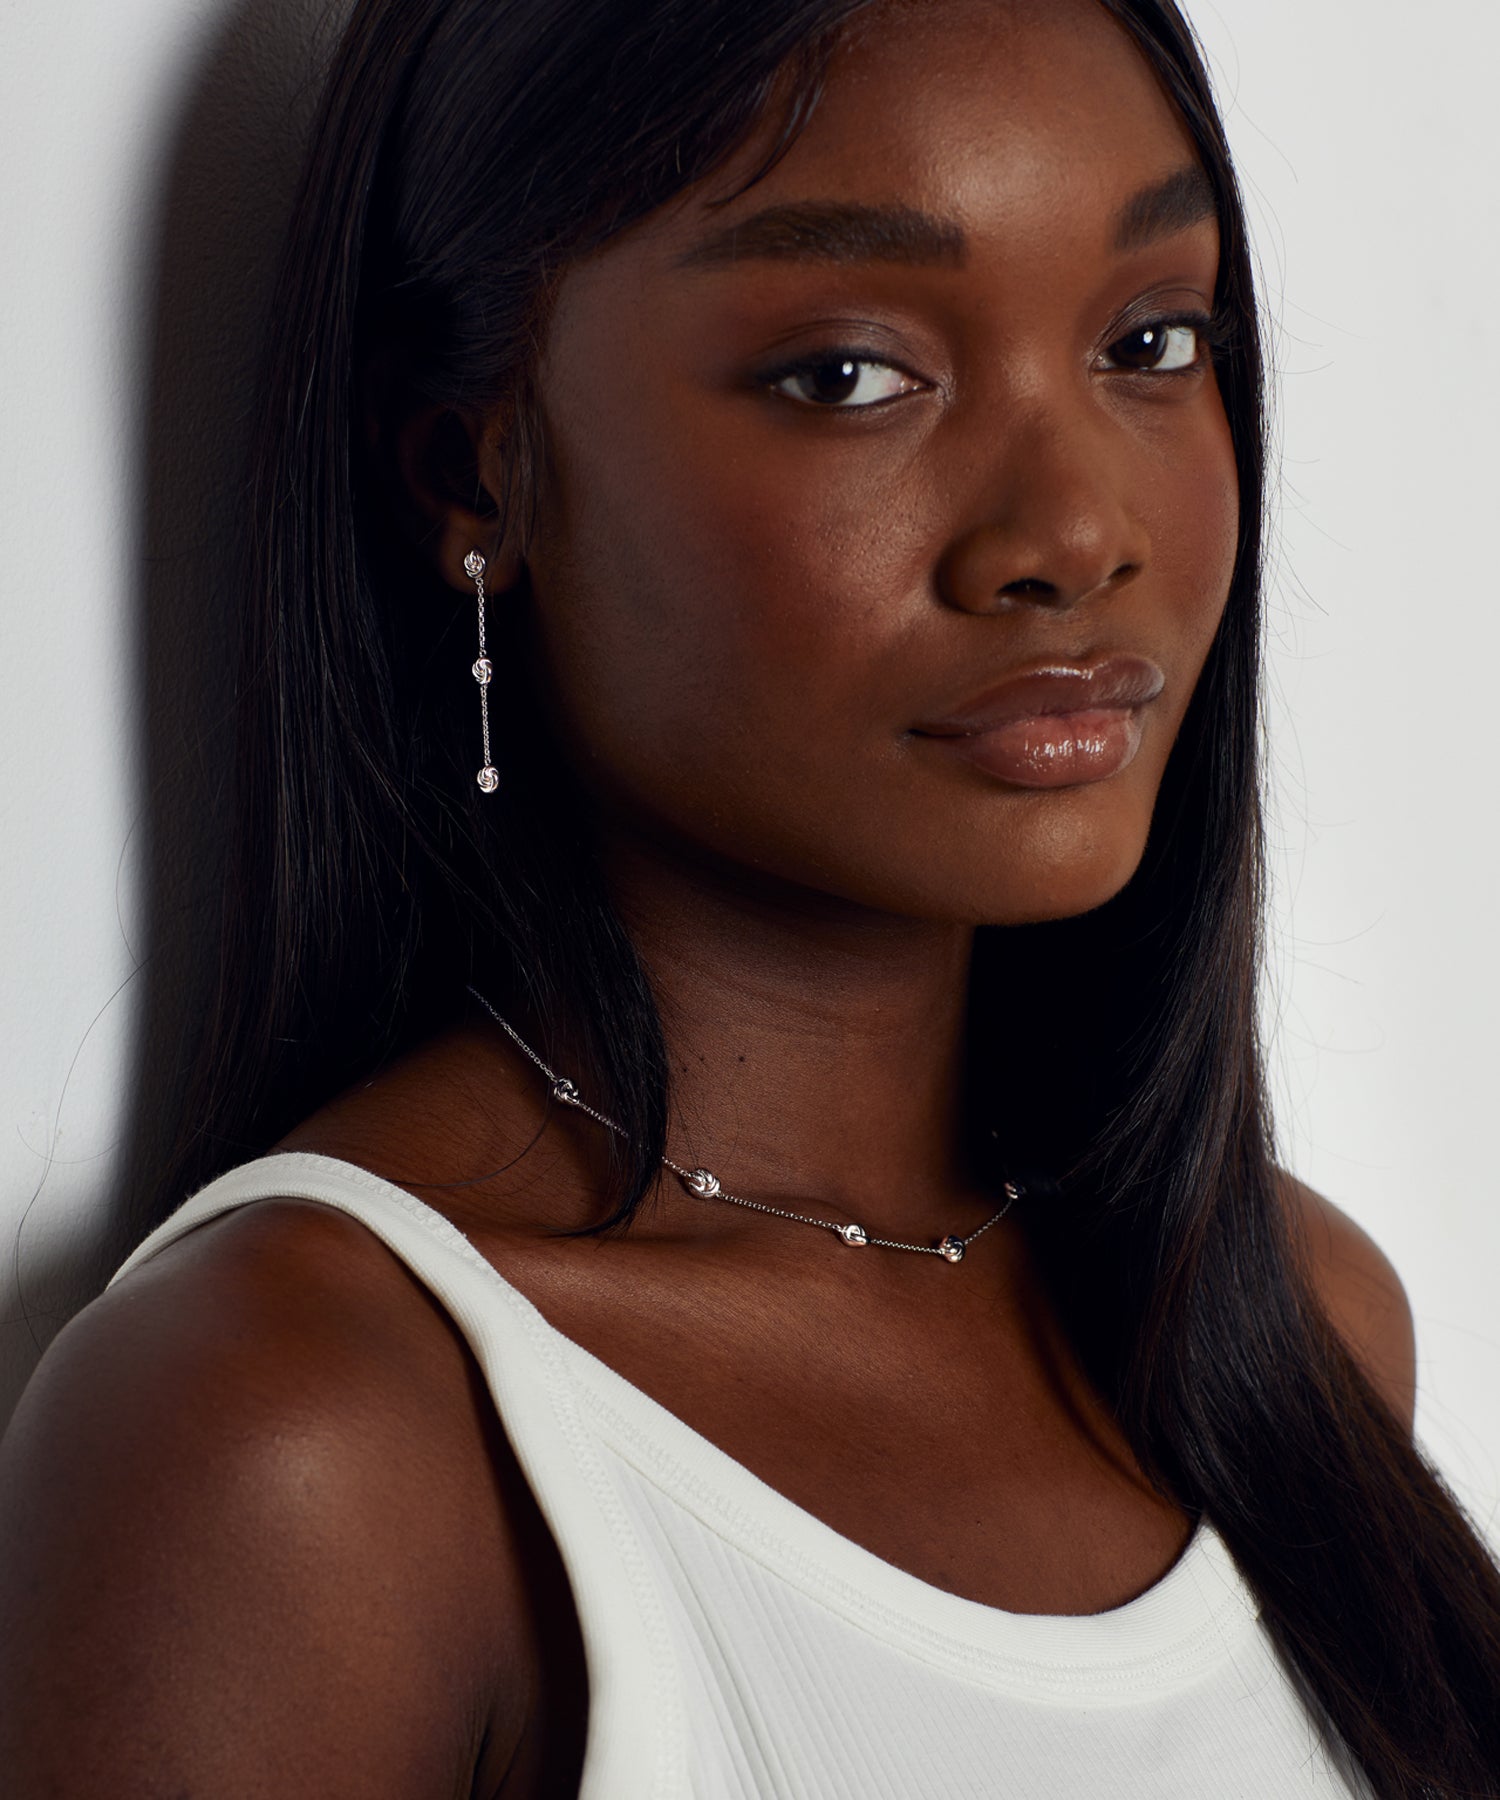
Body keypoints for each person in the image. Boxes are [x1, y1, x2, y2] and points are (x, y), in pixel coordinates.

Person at [2, 0, 1498, 1792]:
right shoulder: (310, 1442)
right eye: (849, 372)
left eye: (1150, 338)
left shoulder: (1293, 1325)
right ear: (473, 467)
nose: (1077, 532)